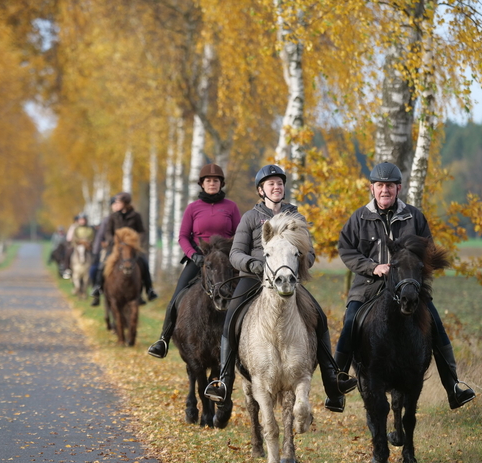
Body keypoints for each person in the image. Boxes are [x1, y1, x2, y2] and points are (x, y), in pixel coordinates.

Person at [203, 165, 357, 423]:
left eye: (279, 183)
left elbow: (310, 251)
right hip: (254, 279)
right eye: (271, 183)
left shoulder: (294, 215)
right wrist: (253, 264)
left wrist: (296, 264)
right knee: (231, 321)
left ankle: (333, 379)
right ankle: (224, 381)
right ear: (261, 190)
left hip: (287, 279)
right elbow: (235, 253)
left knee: (317, 315)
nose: (277, 187)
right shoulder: (251, 218)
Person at [335, 161, 476, 409]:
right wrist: (373, 267)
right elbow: (346, 249)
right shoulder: (359, 217)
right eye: (379, 186)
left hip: (408, 288)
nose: (384, 190)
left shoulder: (415, 217)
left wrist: (410, 271)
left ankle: (453, 387)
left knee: (435, 324)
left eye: (389, 186)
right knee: (350, 323)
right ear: (372, 188)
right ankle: (336, 385)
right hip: (368, 286)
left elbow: (428, 252)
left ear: (398, 188)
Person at [148, 163, 241, 358]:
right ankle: (163, 340)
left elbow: (239, 235)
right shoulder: (193, 208)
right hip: (199, 259)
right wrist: (193, 255)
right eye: (208, 180)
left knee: (243, 296)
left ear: (221, 183)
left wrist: (232, 254)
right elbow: (182, 236)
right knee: (176, 297)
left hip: (225, 262)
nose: (212, 183)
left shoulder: (231, 207)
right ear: (202, 184)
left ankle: (244, 342)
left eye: (216, 181)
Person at [90, 192, 158, 306]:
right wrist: (114, 241)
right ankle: (97, 288)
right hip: (115, 248)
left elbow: (141, 231)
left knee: (144, 263)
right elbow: (108, 232)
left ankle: (149, 290)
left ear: (125, 203)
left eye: (118, 202)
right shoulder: (113, 216)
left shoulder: (136, 216)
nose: (116, 204)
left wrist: (136, 241)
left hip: (132, 248)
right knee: (102, 264)